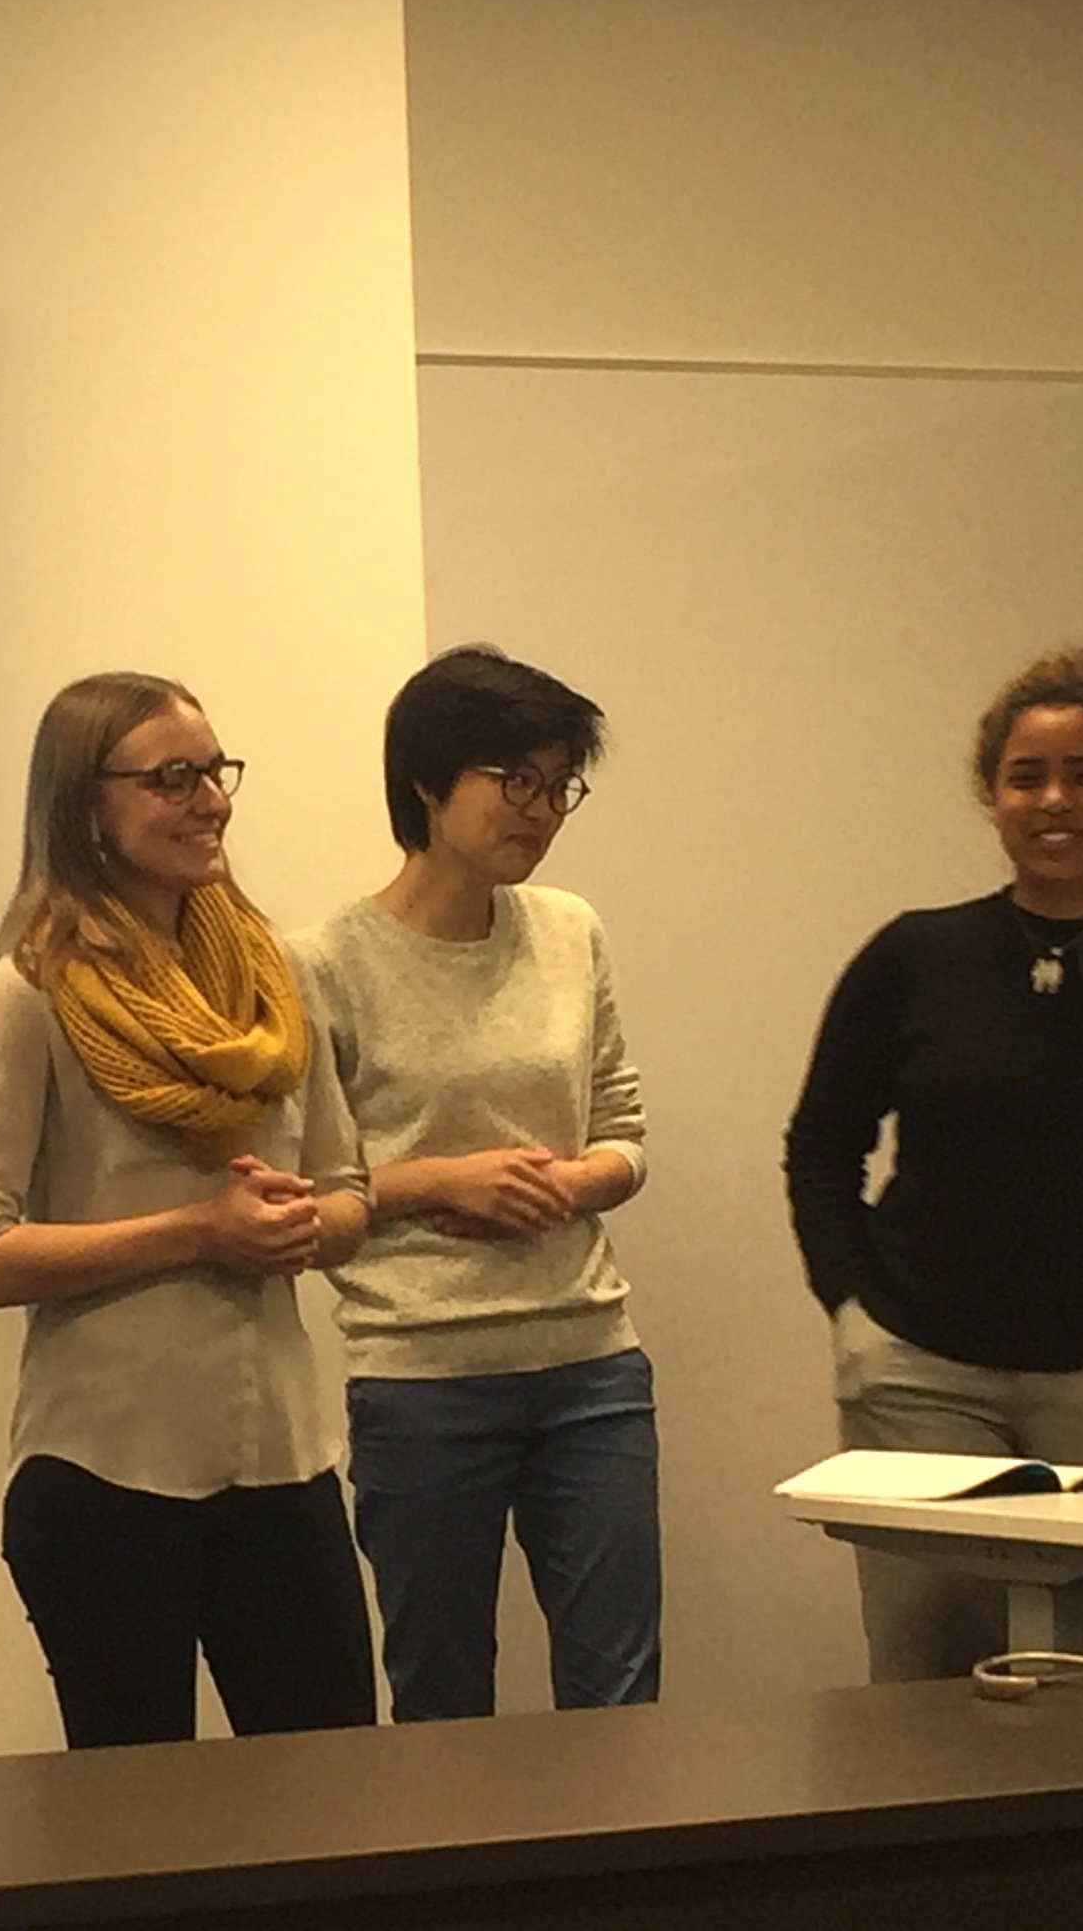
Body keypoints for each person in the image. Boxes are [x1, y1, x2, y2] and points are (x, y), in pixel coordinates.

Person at [783, 647, 1083, 1681]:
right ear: (991, 794)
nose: (1055, 800)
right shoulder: (911, 957)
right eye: (1026, 776)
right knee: (929, 1676)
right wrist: (853, 1309)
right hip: (919, 1374)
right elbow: (822, 1145)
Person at [0, 671, 379, 1748]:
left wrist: (304, 1225)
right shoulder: (24, 992)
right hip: (104, 1474)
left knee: (335, 1803)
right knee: (133, 1821)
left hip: (283, 1459)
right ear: (86, 804)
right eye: (172, 777)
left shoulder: (273, 984)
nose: (209, 799)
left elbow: (349, 1192)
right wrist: (197, 1233)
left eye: (215, 771)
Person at [287, 648, 660, 1720]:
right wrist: (444, 1180)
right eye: (515, 780)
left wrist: (571, 1183)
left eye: (559, 785)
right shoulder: (323, 960)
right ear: (426, 781)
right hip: (421, 1374)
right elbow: (310, 1191)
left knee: (621, 1694)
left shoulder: (569, 929)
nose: (539, 810)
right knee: (441, 1700)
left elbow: (624, 1133)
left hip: (589, 1364)